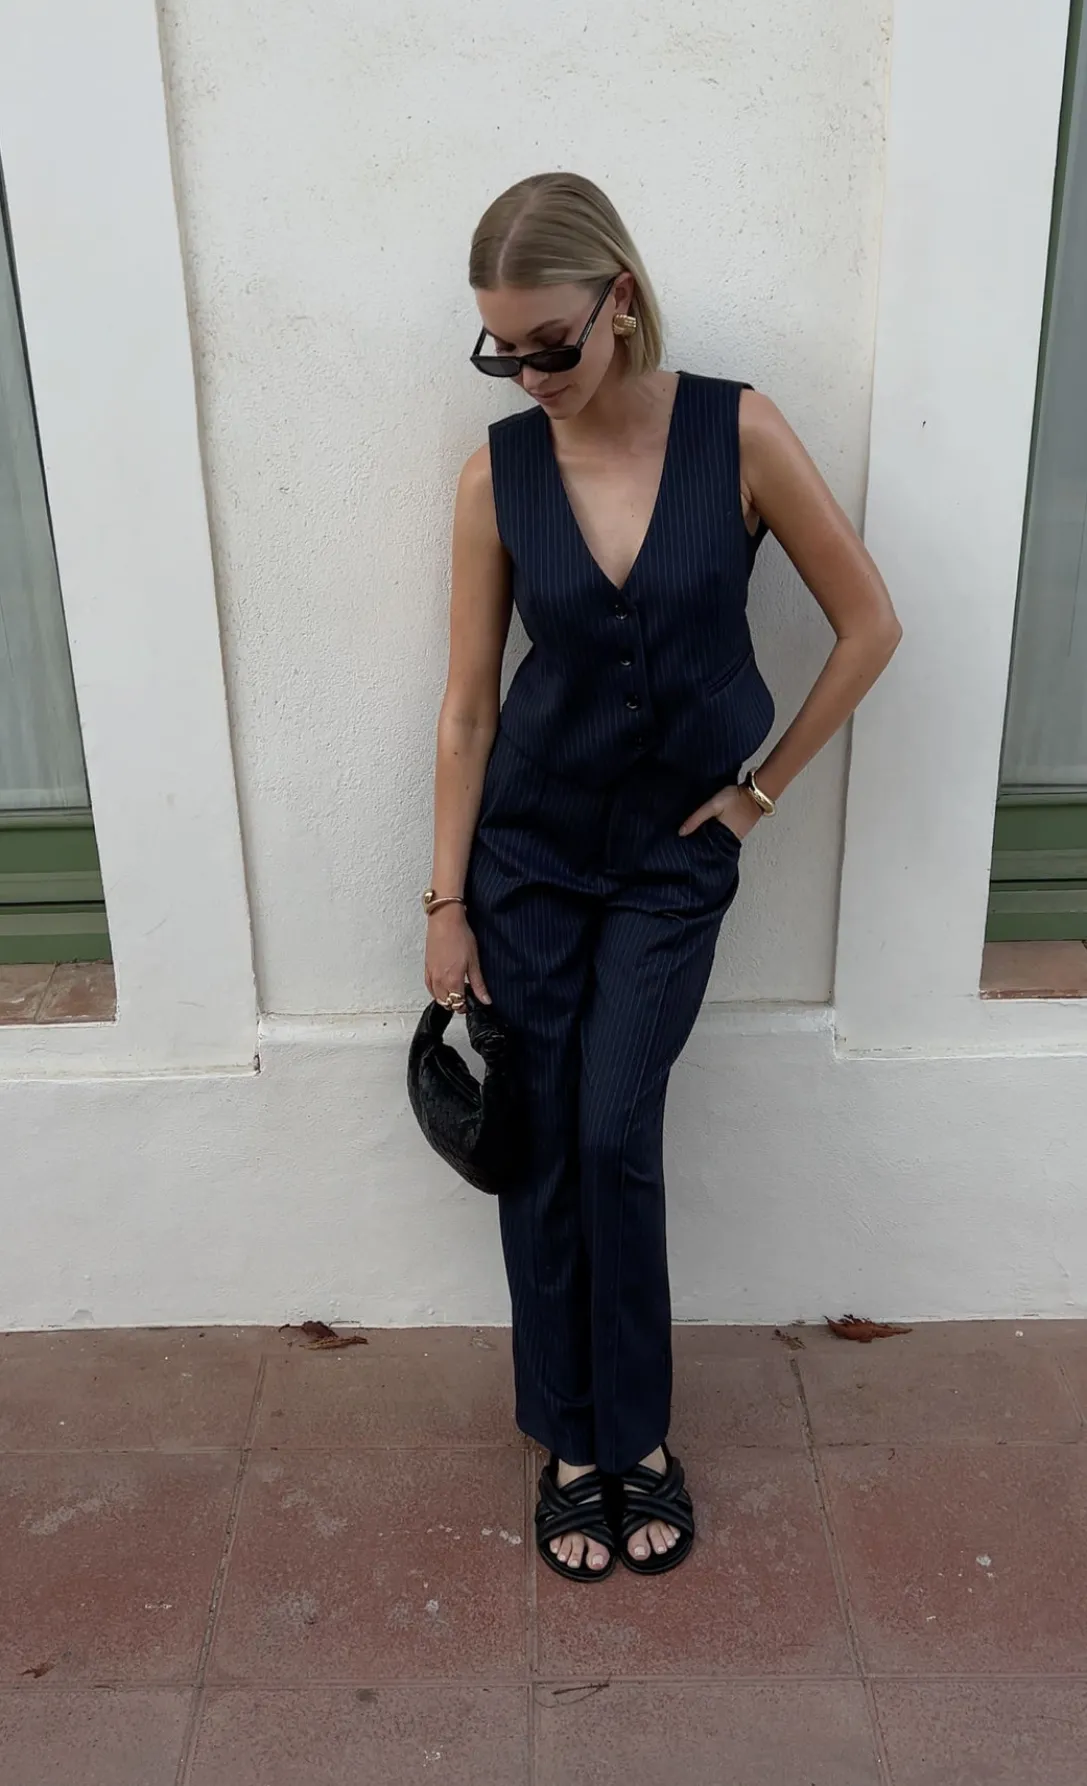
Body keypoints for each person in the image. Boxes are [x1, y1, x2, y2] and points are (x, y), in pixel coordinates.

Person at [423, 172, 900, 1580]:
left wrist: (758, 793)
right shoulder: (497, 477)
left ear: (619, 302)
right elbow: (468, 711)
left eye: (550, 344)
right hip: (525, 858)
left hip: (669, 863)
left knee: (615, 1129)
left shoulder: (736, 433)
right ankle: (572, 1443)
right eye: (502, 352)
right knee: (541, 1141)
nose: (529, 375)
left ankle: (637, 1431)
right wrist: (444, 903)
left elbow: (868, 623)